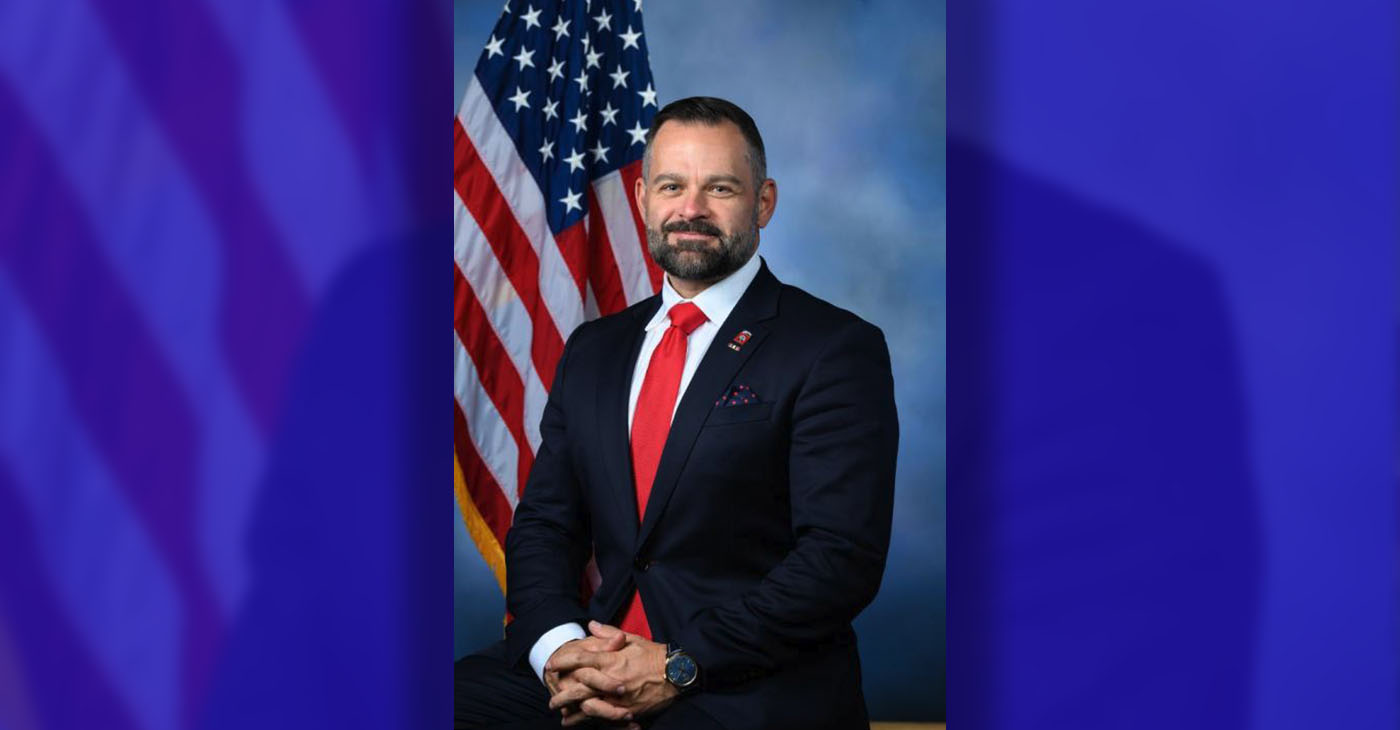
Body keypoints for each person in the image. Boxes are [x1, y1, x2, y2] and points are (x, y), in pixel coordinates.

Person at [455, 97, 898, 730]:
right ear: (642, 200)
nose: (691, 209)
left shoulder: (833, 347)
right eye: (671, 186)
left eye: (719, 187)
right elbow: (546, 524)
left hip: (743, 681)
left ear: (763, 202)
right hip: (598, 656)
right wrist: (561, 651)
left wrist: (676, 665)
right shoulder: (595, 349)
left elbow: (839, 558)